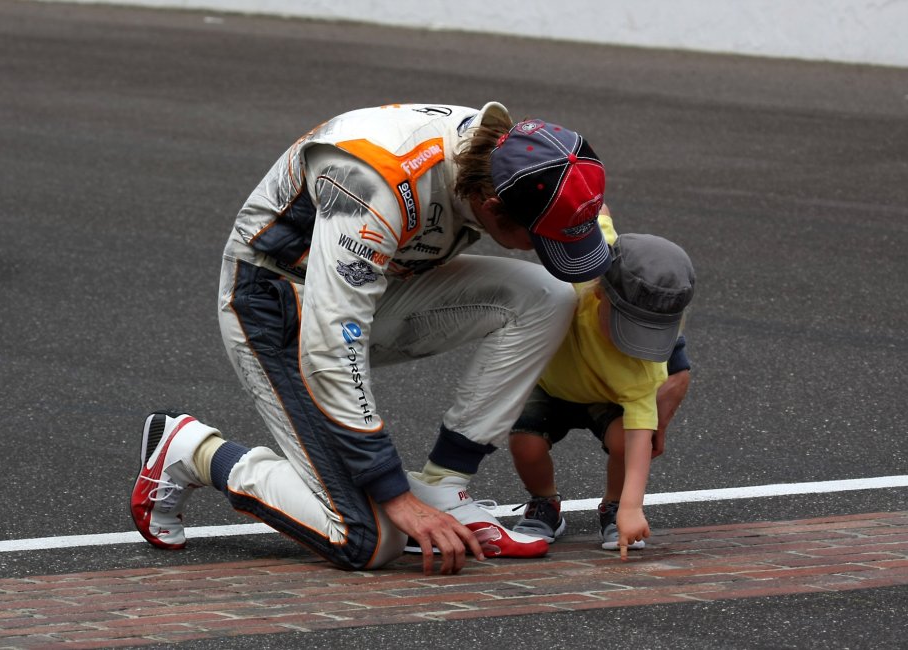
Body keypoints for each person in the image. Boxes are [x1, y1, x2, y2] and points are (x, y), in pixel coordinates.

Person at [130, 103, 616, 575]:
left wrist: (656, 369)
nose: (545, 248)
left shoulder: (521, 160)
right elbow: (331, 346)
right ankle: (192, 450)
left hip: (374, 285)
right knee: (368, 539)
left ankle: (444, 484)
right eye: (540, 239)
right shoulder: (376, 185)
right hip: (276, 307)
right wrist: (392, 494)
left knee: (548, 296)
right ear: (492, 208)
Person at [508, 231, 695, 560]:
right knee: (526, 444)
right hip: (552, 385)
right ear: (599, 294)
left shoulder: (643, 365)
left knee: (626, 441)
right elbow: (595, 214)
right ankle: (544, 502)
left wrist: (632, 506)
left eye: (649, 332)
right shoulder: (583, 271)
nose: (636, 343)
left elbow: (640, 436)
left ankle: (613, 507)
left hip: (607, 397)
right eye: (629, 326)